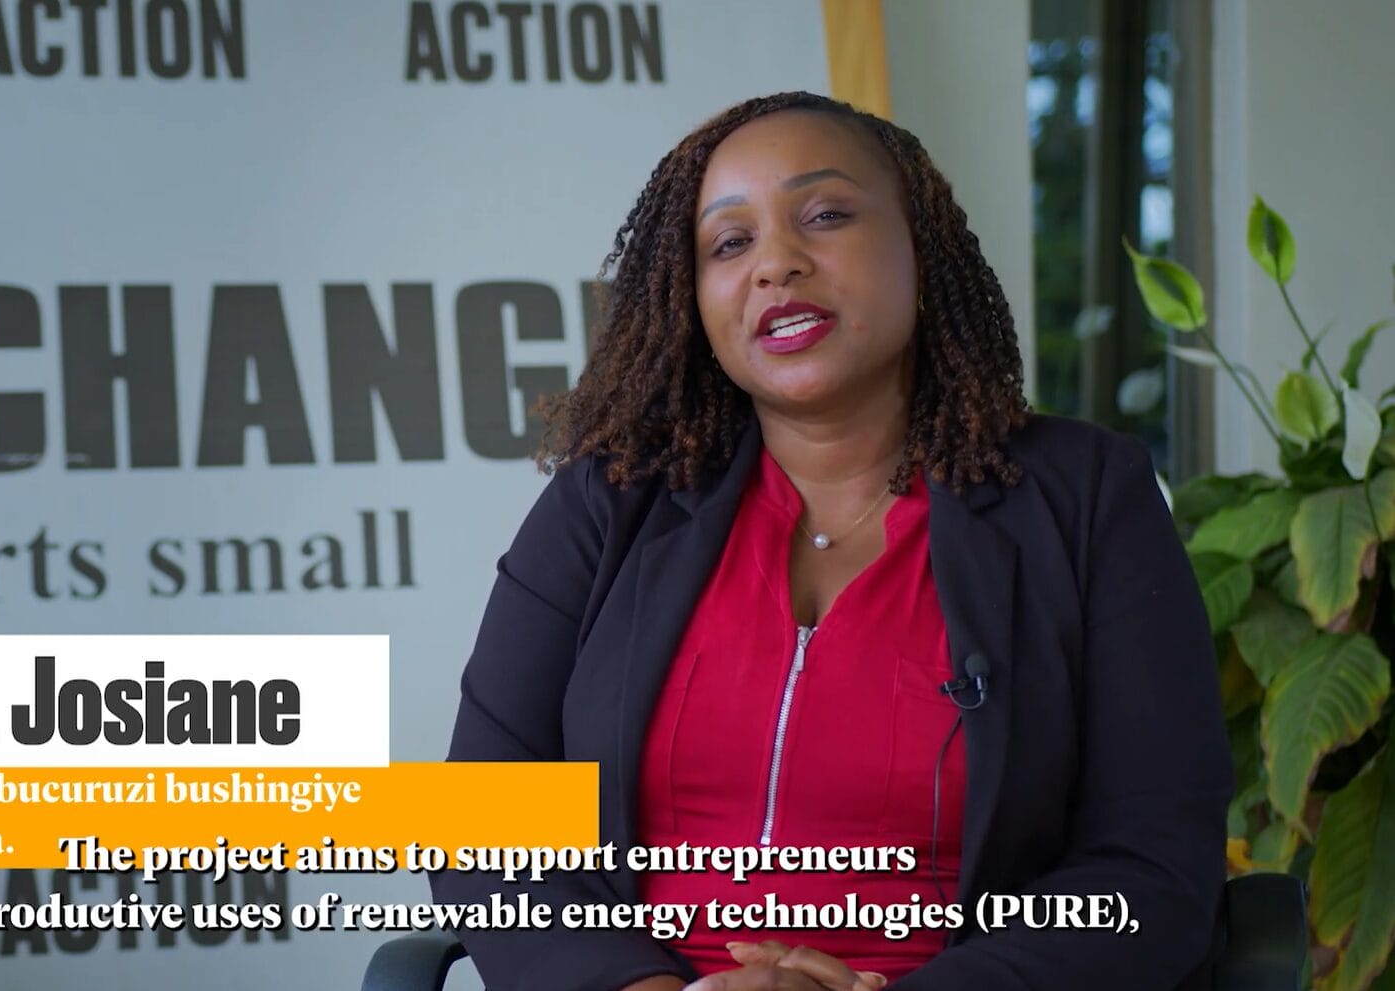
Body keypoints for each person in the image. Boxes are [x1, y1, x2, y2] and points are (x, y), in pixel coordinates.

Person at [429, 91, 1231, 991]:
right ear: (694, 298)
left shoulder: (1085, 499)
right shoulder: (608, 502)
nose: (776, 263)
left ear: (919, 246)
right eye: (730, 243)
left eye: (825, 215)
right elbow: (481, 825)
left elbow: (1153, 866)